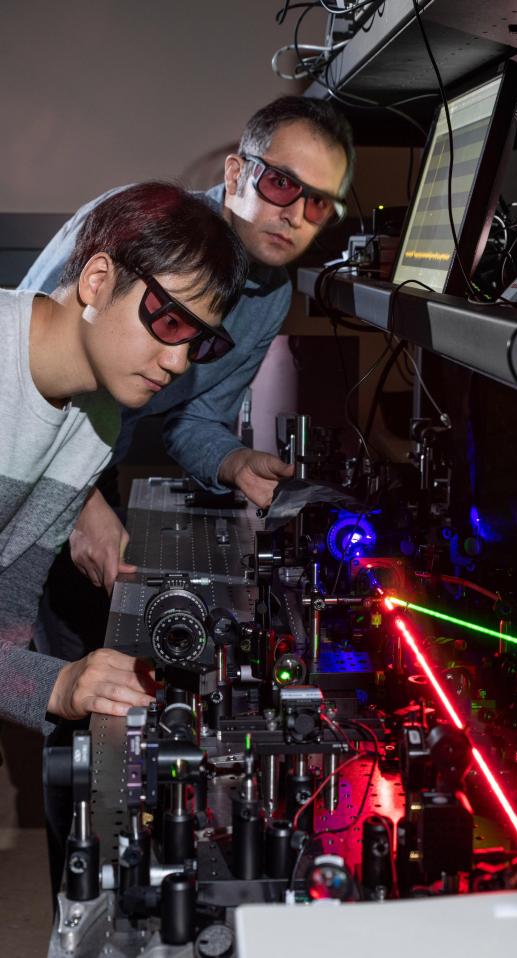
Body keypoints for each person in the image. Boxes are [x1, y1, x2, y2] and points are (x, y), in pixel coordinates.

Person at [20, 95, 355, 596]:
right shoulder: (144, 223)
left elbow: (192, 419)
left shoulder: (273, 296)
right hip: (28, 462)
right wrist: (78, 503)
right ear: (238, 172)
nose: (296, 216)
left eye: (319, 203)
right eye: (282, 183)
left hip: (94, 473)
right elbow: (25, 366)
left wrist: (236, 462)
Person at [0, 181, 248, 734]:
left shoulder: (99, 423)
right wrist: (57, 685)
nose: (180, 363)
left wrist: (57, 685)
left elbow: (6, 622)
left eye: (199, 342)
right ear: (97, 280)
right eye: (170, 322)